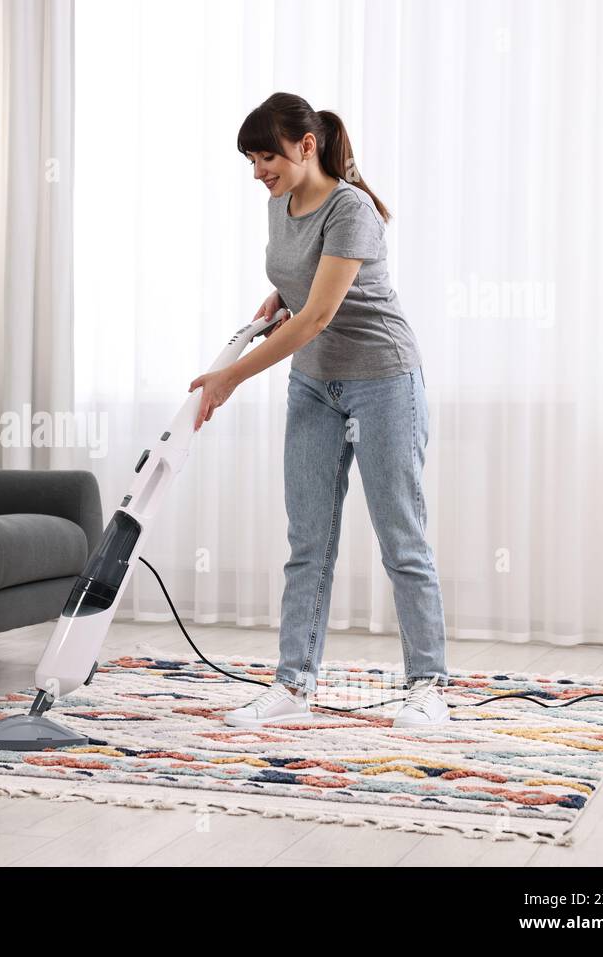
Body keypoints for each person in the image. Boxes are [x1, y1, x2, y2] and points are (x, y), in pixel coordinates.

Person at [188, 92, 450, 728]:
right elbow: (298, 284)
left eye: (266, 156)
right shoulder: (281, 202)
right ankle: (292, 686)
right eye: (251, 160)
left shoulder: (352, 209)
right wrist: (269, 302)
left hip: (383, 379)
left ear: (307, 146)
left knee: (400, 537)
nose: (258, 172)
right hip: (314, 384)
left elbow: (319, 315)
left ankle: (428, 687)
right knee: (308, 540)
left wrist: (228, 379)